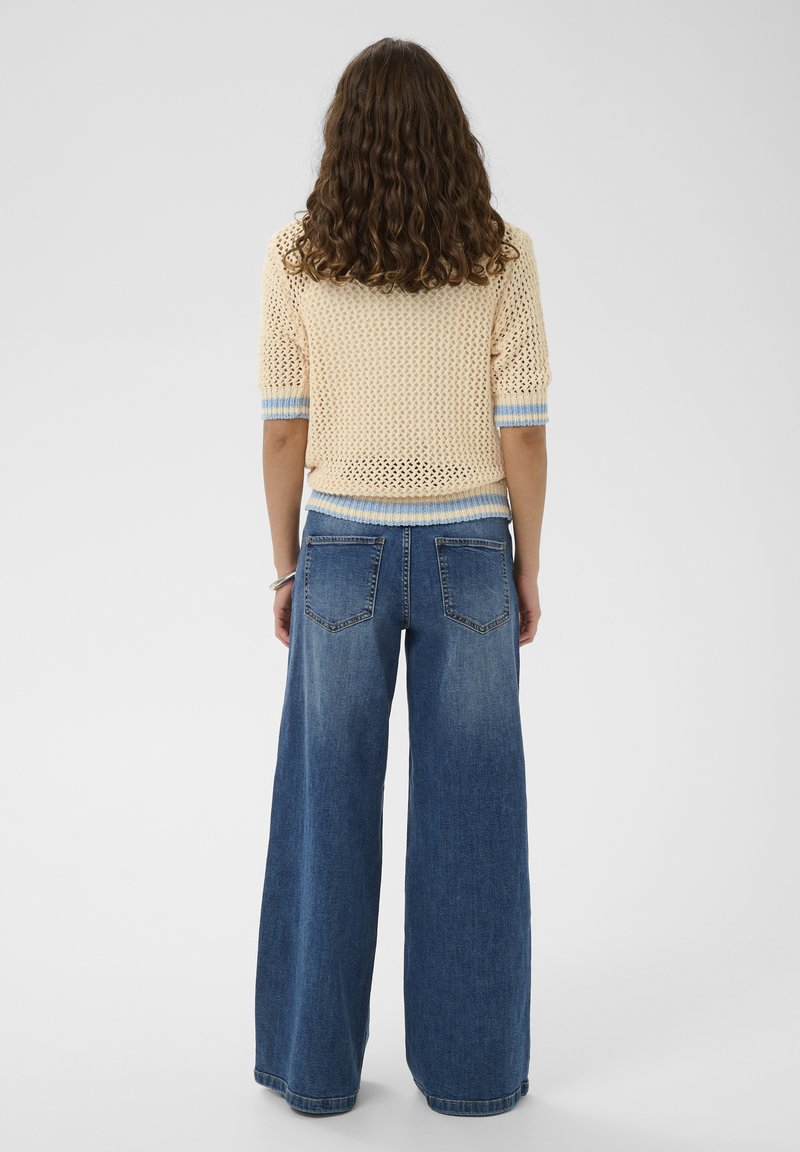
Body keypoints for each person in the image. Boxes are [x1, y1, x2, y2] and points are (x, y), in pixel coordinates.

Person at [253, 37, 551, 1118]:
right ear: (451, 139)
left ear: (342, 140)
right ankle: (473, 1076)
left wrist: (286, 569)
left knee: (325, 808)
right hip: (472, 551)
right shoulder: (503, 257)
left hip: (339, 551)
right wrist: (526, 567)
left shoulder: (297, 257)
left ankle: (313, 1072)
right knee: (473, 815)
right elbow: (523, 436)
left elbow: (283, 433)